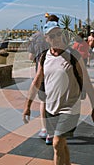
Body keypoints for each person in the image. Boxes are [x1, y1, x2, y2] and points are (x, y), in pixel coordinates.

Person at [23, 21, 94, 165]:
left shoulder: (73, 55)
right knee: (61, 145)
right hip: (51, 108)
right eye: (52, 36)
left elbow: (87, 82)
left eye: (58, 34)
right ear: (46, 39)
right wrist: (27, 106)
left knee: (57, 143)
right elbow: (36, 82)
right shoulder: (44, 57)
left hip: (70, 108)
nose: (56, 38)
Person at [27, 14, 59, 144]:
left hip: (40, 73)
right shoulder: (60, 35)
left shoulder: (36, 37)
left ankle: (45, 129)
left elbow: (30, 57)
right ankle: (55, 130)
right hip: (56, 73)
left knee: (43, 101)